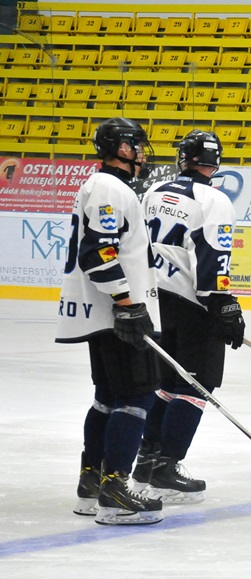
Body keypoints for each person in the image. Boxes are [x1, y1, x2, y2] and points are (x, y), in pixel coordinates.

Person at [56, 117, 164, 525]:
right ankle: (116, 489)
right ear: (121, 148)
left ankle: (93, 480)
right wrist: (126, 301)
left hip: (105, 312)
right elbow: (98, 252)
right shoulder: (109, 188)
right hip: (116, 312)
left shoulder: (102, 185)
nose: (142, 153)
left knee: (108, 396)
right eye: (137, 145)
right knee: (137, 397)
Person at [132, 130, 245, 504]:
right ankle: (167, 467)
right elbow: (214, 255)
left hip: (153, 299)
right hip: (192, 304)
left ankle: (147, 461)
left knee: (165, 382)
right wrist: (223, 303)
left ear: (184, 158)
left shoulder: (152, 191)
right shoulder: (215, 199)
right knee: (198, 384)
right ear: (215, 162)